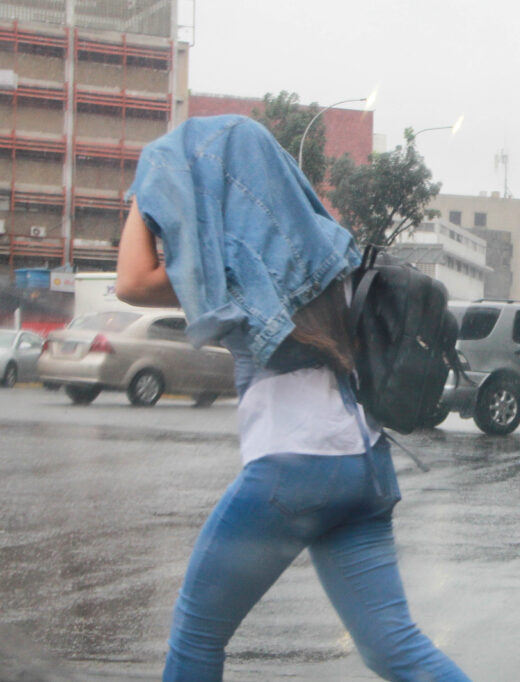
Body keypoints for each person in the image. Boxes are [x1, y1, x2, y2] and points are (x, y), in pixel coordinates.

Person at [115, 115, 470, 682]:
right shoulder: (333, 248)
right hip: (365, 468)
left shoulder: (234, 270)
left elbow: (132, 281)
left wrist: (147, 190)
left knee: (196, 638)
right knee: (394, 649)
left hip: (291, 470)